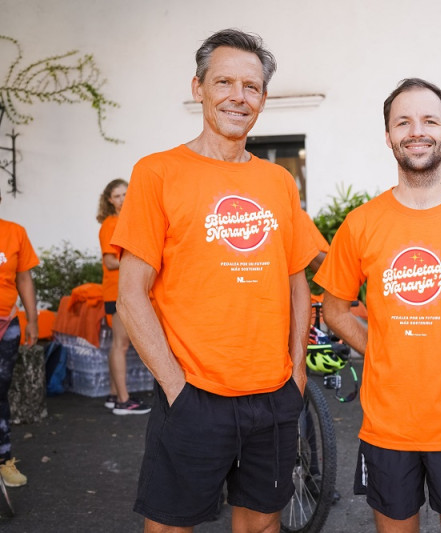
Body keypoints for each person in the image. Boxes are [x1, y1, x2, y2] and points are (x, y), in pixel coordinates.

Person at [112, 29, 317, 532]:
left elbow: (297, 283)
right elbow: (131, 292)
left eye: (251, 86)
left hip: (272, 395)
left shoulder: (277, 182)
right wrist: (175, 386)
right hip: (194, 392)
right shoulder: (157, 173)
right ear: (198, 87)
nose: (237, 96)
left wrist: (296, 373)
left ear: (264, 99)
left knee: (263, 523)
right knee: (170, 525)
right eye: (223, 81)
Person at [314, 78, 441, 533]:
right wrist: (385, 351)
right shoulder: (360, 224)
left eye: (430, 120)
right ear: (388, 136)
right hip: (388, 425)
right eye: (403, 121)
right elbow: (335, 310)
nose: (416, 130)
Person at [96, 178, 150, 415]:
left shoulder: (127, 221)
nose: (123, 199)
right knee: (121, 344)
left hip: (122, 290)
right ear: (110, 200)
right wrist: (139, 258)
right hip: (117, 291)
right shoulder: (111, 223)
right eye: (117, 196)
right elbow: (109, 261)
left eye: (126, 194)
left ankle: (113, 395)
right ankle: (123, 401)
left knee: (117, 344)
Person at [0, 189, 38, 487]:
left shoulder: (14, 233)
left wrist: (33, 320)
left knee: (1, 392)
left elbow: (24, 277)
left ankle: (3, 461)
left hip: (6, 324)